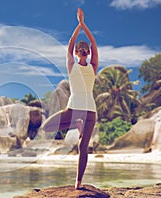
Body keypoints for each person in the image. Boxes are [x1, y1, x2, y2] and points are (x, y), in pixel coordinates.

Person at [41, 8, 98, 189]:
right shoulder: (72, 66)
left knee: (83, 148)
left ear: (88, 53)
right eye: (79, 49)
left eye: (85, 49)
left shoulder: (93, 67)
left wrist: (83, 25)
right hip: (74, 109)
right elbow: (71, 43)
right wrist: (78, 25)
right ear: (75, 53)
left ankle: (78, 183)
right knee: (46, 126)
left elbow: (94, 42)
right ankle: (76, 124)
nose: (82, 51)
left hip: (90, 111)